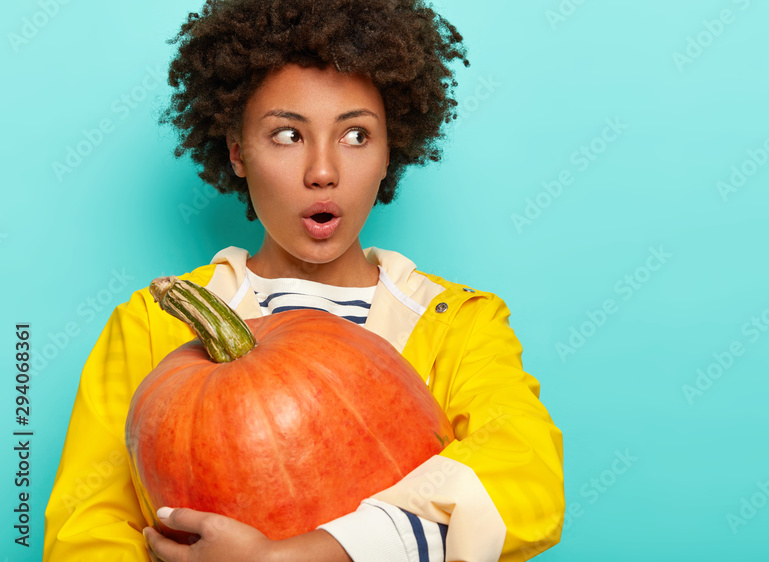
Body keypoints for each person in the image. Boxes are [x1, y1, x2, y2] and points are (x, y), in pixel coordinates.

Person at [42, 0, 565, 560]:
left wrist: (297, 555)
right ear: (238, 153)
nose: (323, 171)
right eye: (288, 135)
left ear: (392, 151)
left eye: (357, 135)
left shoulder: (460, 324)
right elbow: (87, 531)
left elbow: (525, 479)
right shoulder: (150, 327)